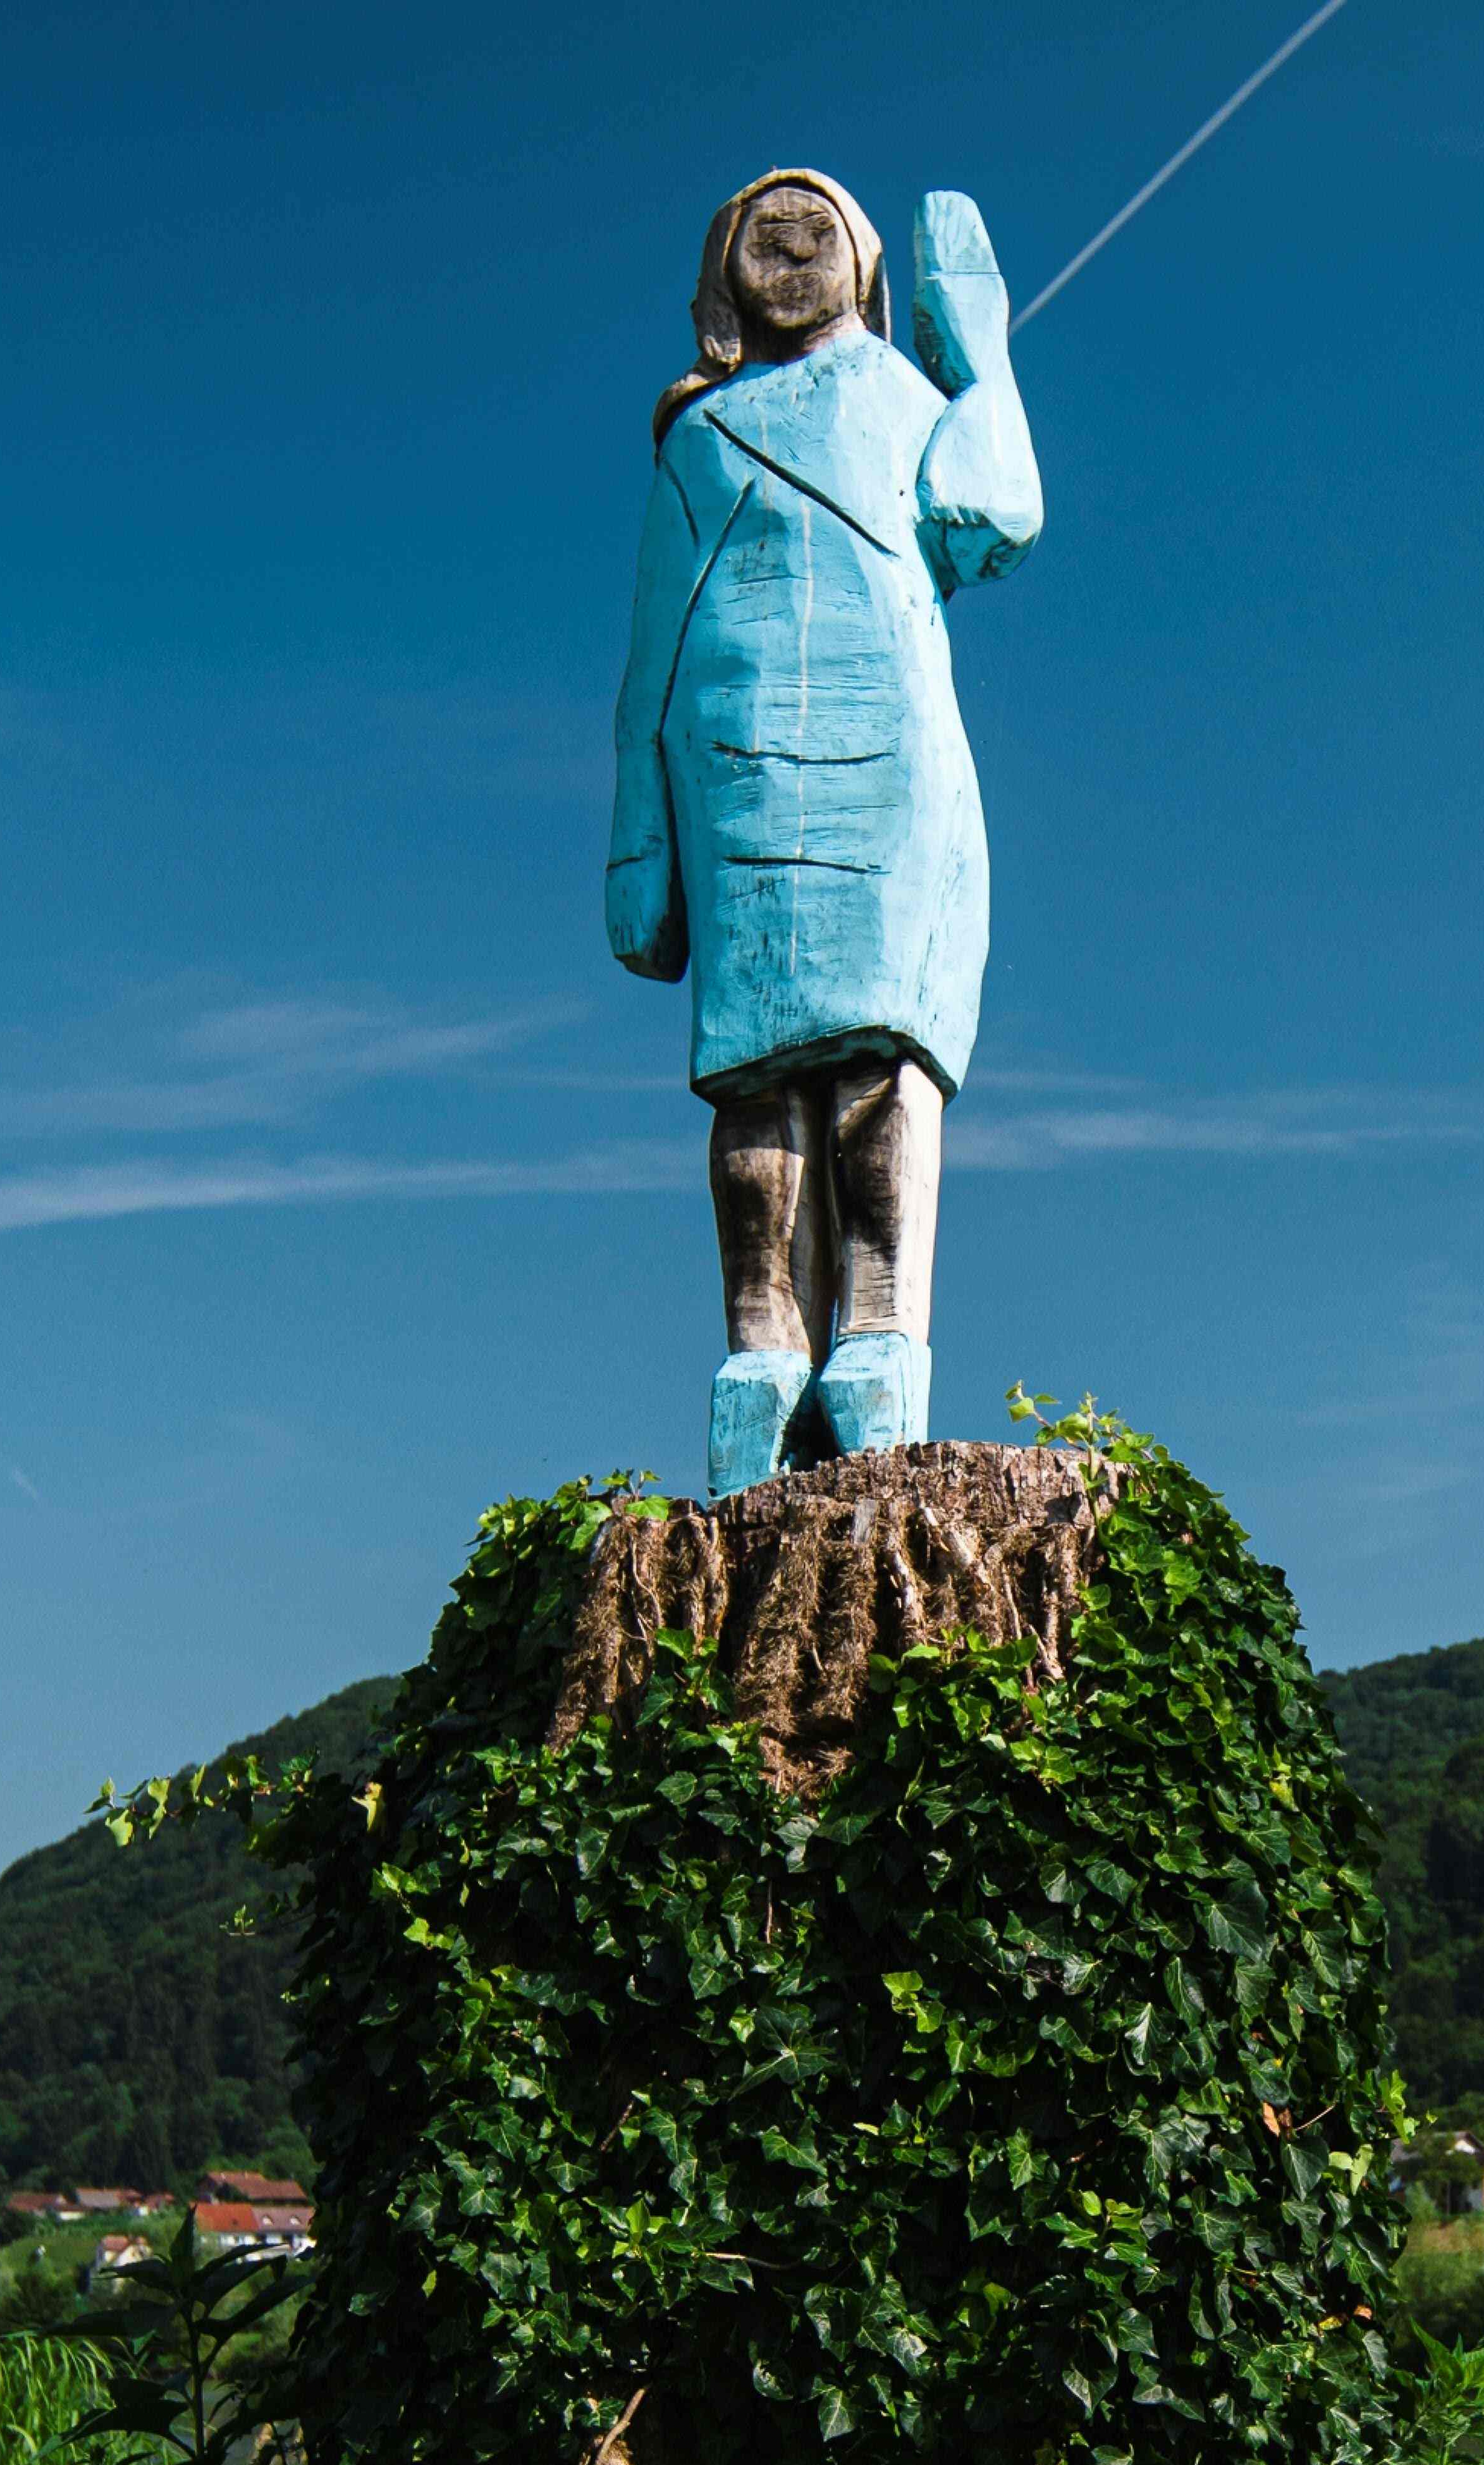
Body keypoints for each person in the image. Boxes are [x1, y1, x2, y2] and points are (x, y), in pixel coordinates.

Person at [604, 170, 1044, 1497]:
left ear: (859, 262)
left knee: (875, 1061)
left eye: (816, 235)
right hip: (730, 773)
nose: (790, 252)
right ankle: (761, 1343)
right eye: (764, 236)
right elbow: (650, 652)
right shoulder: (697, 439)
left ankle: (880, 1334)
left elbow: (995, 514)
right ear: (723, 272)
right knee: (752, 1080)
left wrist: (977, 354)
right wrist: (640, 841)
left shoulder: (903, 401)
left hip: (886, 756)